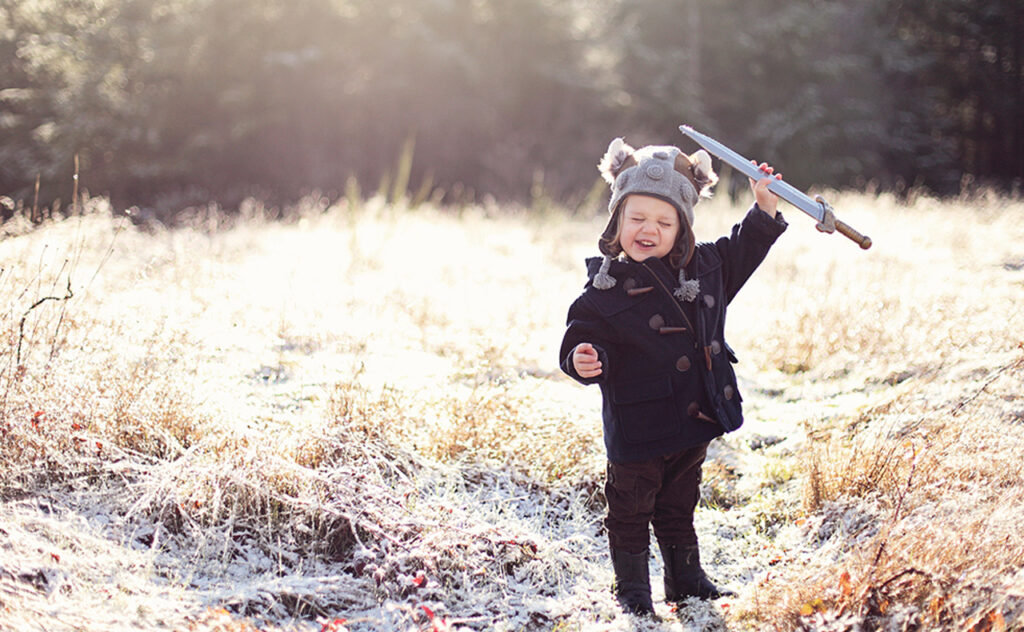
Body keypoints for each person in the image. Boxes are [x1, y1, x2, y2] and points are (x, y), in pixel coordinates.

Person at [559, 135, 787, 617]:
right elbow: (581, 335)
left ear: (682, 225)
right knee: (631, 508)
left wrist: (763, 205)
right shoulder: (605, 287)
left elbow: (745, 248)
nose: (648, 229)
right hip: (638, 427)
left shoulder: (706, 267)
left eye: (664, 221)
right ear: (616, 220)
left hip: (694, 416)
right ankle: (633, 589)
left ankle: (686, 578)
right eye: (636, 218)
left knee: (679, 504)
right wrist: (582, 356)